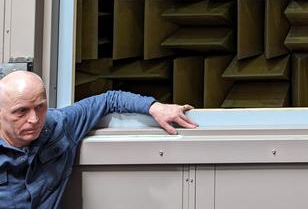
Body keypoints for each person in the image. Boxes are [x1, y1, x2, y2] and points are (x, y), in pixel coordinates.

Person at [0, 70, 198, 208]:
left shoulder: (59, 126)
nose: (34, 119)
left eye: (40, 107)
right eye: (21, 111)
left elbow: (109, 99)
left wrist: (155, 108)